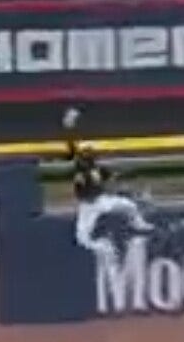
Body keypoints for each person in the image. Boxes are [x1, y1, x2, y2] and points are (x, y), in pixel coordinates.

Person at [62, 109, 153, 261]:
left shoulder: (97, 169)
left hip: (101, 200)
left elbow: (114, 176)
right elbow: (72, 147)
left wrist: (130, 174)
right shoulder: (80, 166)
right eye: (86, 155)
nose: (87, 157)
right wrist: (69, 126)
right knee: (82, 238)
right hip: (88, 206)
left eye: (89, 155)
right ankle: (104, 247)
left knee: (129, 205)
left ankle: (139, 223)